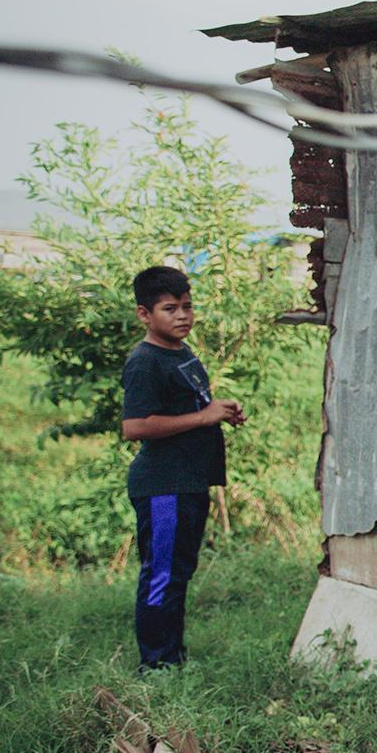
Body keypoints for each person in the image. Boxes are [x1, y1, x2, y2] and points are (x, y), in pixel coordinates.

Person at [120, 266, 244, 670]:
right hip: (163, 488)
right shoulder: (145, 361)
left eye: (187, 307)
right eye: (170, 308)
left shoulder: (181, 353)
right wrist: (204, 418)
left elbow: (191, 409)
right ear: (144, 314)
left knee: (177, 573)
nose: (183, 316)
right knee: (161, 577)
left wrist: (220, 412)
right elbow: (135, 426)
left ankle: (171, 656)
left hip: (188, 483)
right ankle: (155, 666)